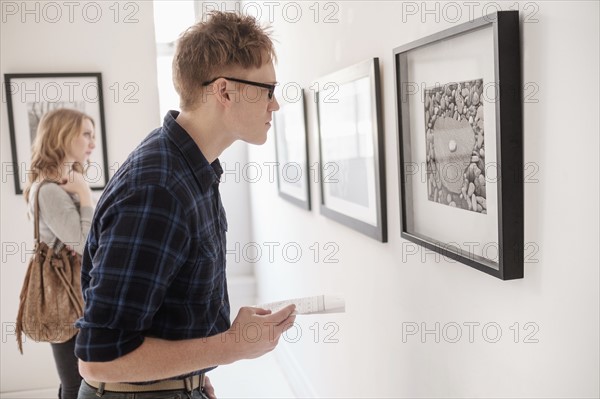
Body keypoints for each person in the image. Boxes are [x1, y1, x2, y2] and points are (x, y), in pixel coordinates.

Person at [75, 11, 296, 399]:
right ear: (225, 91)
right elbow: (99, 358)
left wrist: (191, 375)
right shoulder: (159, 187)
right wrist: (233, 345)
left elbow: (162, 311)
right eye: (267, 90)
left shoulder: (193, 166)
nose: (274, 105)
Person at [22, 108, 96, 399]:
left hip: (75, 291)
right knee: (75, 381)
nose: (92, 142)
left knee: (77, 378)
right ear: (63, 136)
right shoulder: (51, 190)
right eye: (86, 134)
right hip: (66, 294)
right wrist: (86, 196)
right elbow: (83, 244)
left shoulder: (64, 182)